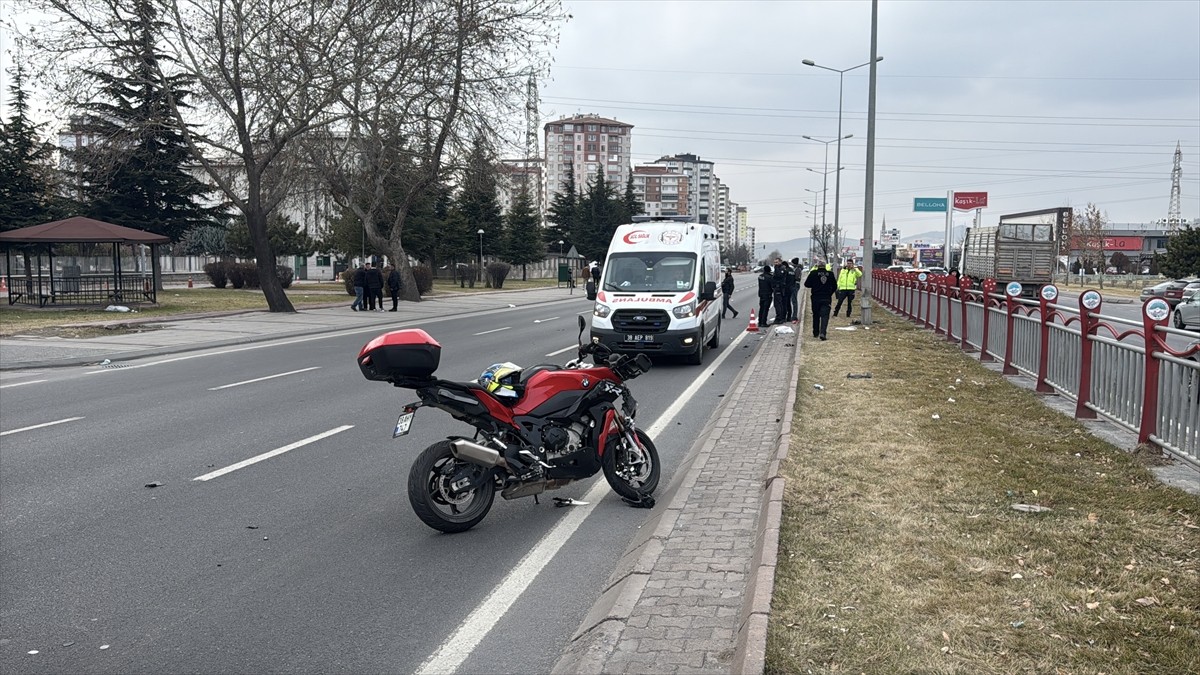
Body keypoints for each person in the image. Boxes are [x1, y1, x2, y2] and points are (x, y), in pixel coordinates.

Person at [804, 260, 837, 340]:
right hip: (826, 297)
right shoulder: (830, 274)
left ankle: (815, 332)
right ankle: (823, 332)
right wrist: (830, 293)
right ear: (825, 266)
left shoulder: (813, 273)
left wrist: (814, 285)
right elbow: (835, 286)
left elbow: (806, 284)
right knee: (825, 316)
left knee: (816, 315)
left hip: (815, 297)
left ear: (817, 266)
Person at [771, 258, 789, 324]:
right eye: (775, 262)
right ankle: (780, 317)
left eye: (777, 262)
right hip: (777, 288)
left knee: (779, 304)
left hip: (780, 288)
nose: (776, 264)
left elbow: (779, 276)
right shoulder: (777, 268)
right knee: (777, 304)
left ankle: (780, 318)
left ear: (780, 262)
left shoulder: (782, 268)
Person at [788, 257, 802, 324]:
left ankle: (794, 316)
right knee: (793, 301)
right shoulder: (796, 269)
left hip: (795, 285)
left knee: (794, 301)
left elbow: (796, 278)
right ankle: (793, 315)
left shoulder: (797, 269)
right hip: (794, 285)